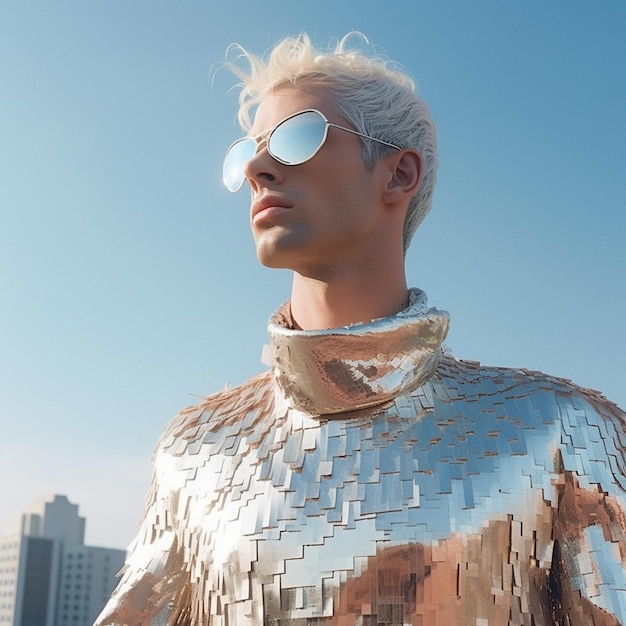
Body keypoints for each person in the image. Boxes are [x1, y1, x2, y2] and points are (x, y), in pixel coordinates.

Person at [96, 33, 626, 625]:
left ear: (399, 174)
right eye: (247, 149)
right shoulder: (193, 451)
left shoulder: (560, 432)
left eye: (298, 136)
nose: (256, 167)